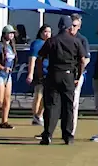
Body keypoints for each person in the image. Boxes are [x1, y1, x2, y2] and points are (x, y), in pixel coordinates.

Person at [38, 17, 85, 146]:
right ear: (70, 27)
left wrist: (41, 74)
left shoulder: (51, 41)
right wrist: (78, 76)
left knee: (51, 106)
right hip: (68, 76)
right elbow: (82, 60)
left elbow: (40, 58)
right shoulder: (75, 41)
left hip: (53, 75)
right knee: (68, 107)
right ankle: (68, 136)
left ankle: (47, 134)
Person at [28, 23, 54, 126]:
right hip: (40, 72)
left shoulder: (52, 43)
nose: (47, 34)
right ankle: (36, 116)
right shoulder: (37, 43)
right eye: (45, 32)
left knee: (46, 96)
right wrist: (30, 73)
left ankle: (39, 114)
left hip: (50, 72)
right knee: (39, 94)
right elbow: (32, 58)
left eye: (49, 32)